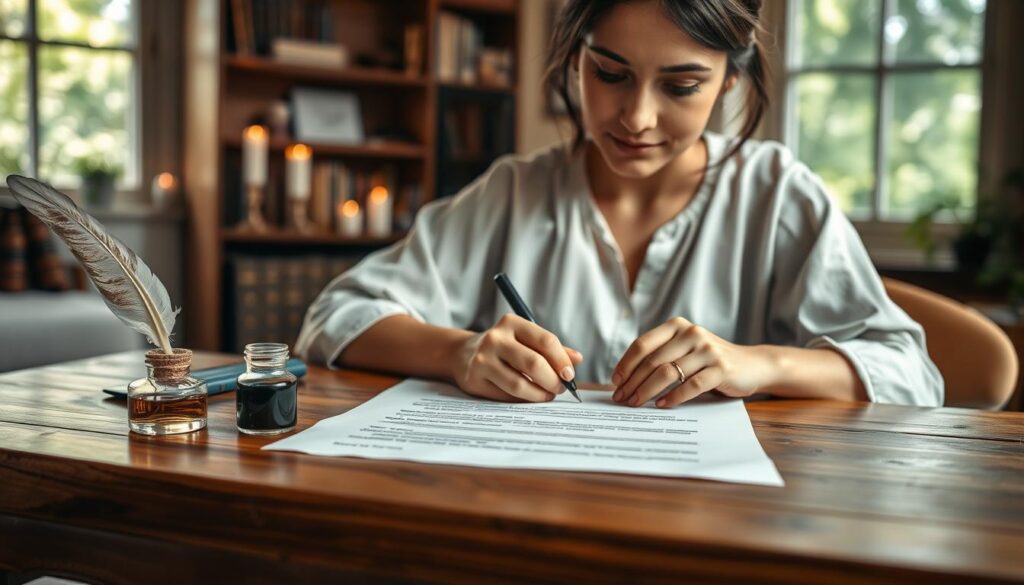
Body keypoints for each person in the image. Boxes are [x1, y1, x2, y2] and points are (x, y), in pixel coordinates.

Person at [295, 0, 943, 408]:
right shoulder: (513, 192)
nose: (637, 117)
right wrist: (459, 354)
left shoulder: (775, 193)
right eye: (610, 74)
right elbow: (337, 314)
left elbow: (912, 373)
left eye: (682, 85)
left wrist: (756, 363)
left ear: (731, 82)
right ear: (575, 61)